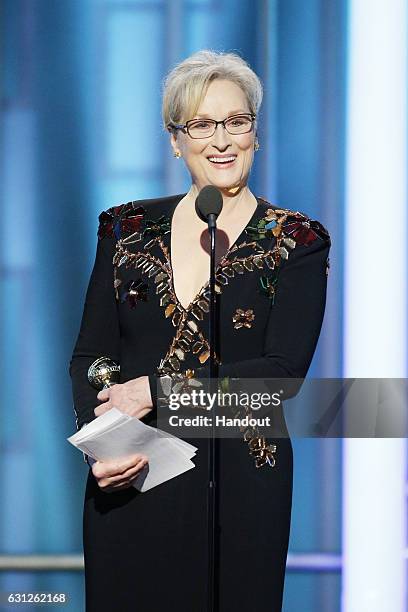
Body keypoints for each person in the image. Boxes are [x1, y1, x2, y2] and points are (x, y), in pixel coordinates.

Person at [70, 49, 331, 612]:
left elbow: (280, 377)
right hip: (133, 476)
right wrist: (107, 454)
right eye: (202, 124)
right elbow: (93, 355)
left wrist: (158, 393)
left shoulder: (297, 241)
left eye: (236, 122)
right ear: (175, 139)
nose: (221, 140)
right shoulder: (126, 228)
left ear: (255, 134)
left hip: (240, 484)